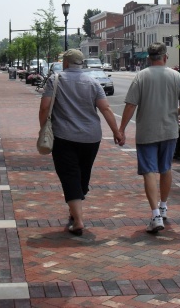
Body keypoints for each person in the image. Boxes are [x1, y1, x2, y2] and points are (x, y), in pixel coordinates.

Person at [39, 49, 125, 236]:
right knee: (83, 175)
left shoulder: (56, 80)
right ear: (82, 64)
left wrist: (42, 127)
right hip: (91, 137)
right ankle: (75, 209)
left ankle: (78, 220)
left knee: (70, 175)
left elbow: (45, 106)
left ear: (66, 63)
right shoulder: (93, 82)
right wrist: (116, 132)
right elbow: (106, 109)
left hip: (64, 136)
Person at [118, 42, 180, 234]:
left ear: (149, 58)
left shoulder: (141, 76)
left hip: (147, 132)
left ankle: (155, 214)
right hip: (169, 131)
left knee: (149, 171)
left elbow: (130, 105)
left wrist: (121, 129)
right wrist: (176, 113)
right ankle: (164, 206)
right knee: (166, 168)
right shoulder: (176, 76)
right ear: (165, 57)